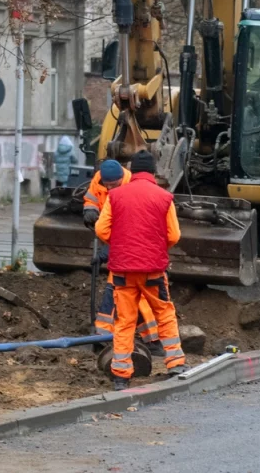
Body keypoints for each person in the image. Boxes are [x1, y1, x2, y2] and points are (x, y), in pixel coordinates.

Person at [95, 151, 186, 389]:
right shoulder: (164, 197)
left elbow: (101, 230)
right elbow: (174, 235)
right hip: (153, 271)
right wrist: (155, 247)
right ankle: (175, 364)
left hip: (123, 271)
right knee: (164, 314)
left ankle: (121, 376)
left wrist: (121, 243)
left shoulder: (115, 195)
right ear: (154, 172)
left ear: (131, 172)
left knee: (125, 321)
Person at [86, 159, 162, 350]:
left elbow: (130, 228)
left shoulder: (131, 188)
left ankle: (104, 337)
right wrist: (90, 210)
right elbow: (91, 197)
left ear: (122, 178)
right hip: (119, 243)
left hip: (130, 247)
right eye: (107, 185)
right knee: (126, 293)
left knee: (123, 292)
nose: (110, 188)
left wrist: (108, 251)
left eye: (114, 185)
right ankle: (149, 340)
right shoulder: (99, 179)